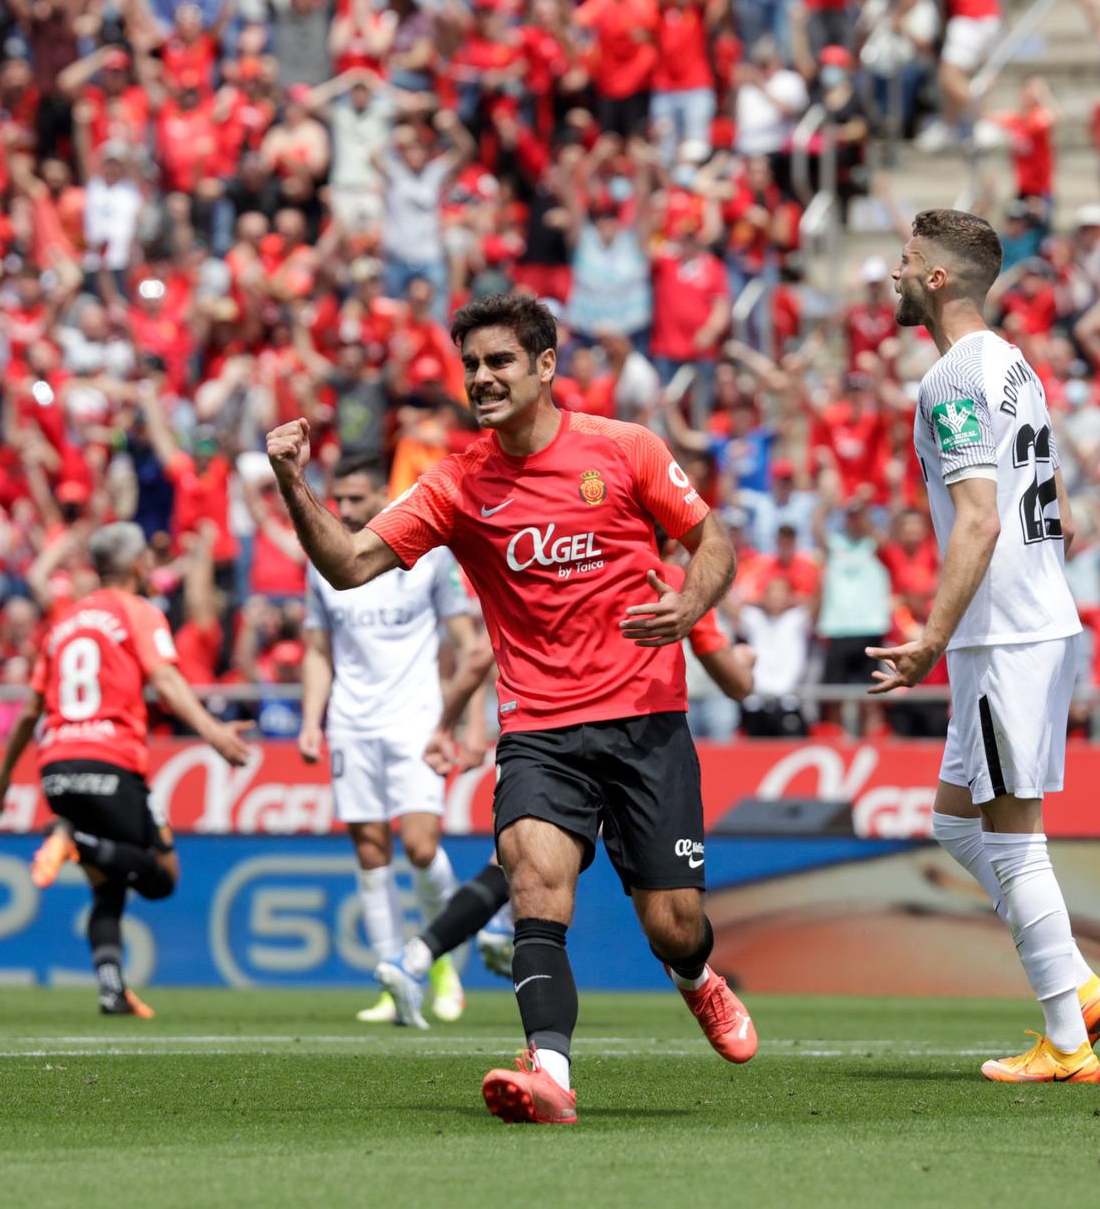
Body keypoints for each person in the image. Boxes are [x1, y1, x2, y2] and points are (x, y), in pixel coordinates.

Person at [267, 292, 754, 1126]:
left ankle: (695, 978)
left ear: (544, 365)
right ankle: (550, 1069)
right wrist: (291, 480)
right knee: (534, 882)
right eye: (471, 366)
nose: (482, 378)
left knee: (674, 924)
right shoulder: (455, 484)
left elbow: (715, 544)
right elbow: (347, 564)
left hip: (646, 720)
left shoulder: (625, 449)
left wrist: (687, 608)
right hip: (540, 728)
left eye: (498, 361)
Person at [869, 209, 1100, 1085]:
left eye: (906, 263)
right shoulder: (1015, 363)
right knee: (953, 818)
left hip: (1001, 627)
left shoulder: (952, 376)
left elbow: (979, 513)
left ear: (938, 278)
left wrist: (932, 639)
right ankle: (1079, 983)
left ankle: (1065, 1038)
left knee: (1014, 837)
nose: (893, 275)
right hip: (1035, 616)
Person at [373, 563, 757, 1026]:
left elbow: (479, 655)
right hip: (599, 742)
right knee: (530, 872)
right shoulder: (675, 577)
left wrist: (447, 723)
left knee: (657, 915)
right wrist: (741, 661)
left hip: (600, 739)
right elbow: (738, 685)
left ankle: (424, 953)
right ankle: (439, 959)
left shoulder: (599, 574)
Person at [0, 523, 254, 1019]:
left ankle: (112, 989)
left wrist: (3, 778)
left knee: (108, 883)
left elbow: (29, 711)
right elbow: (166, 678)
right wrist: (212, 732)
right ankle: (73, 841)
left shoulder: (63, 623)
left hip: (56, 769)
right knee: (161, 876)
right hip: (110, 760)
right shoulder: (139, 611)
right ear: (137, 565)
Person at [297, 455, 492, 1028]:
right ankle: (391, 979)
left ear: (384, 494)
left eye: (359, 499)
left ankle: (437, 962)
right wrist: (313, 718)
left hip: (417, 719)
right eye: (342, 499)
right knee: (369, 853)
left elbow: (466, 640)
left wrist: (472, 723)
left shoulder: (428, 557)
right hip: (352, 722)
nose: (349, 510)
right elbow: (316, 648)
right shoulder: (322, 562)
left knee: (422, 847)